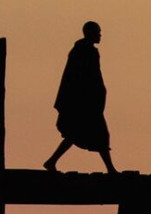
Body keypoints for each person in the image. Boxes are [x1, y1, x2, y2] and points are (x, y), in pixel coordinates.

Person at [44, 21, 118, 174]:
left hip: (86, 101)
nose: (100, 35)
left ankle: (51, 161)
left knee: (76, 134)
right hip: (84, 102)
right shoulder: (85, 52)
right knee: (99, 134)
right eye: (98, 32)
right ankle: (110, 169)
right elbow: (85, 78)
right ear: (90, 33)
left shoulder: (82, 50)